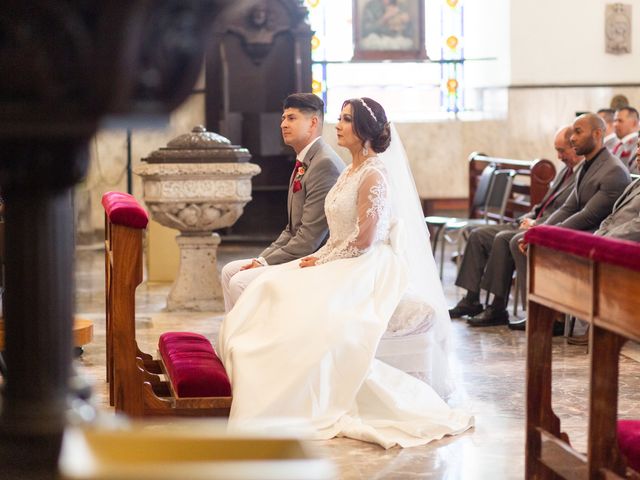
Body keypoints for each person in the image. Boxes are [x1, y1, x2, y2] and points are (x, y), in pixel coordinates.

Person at [218, 98, 473, 448]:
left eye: (347, 120)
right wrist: (320, 257)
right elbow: (336, 233)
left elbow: (365, 240)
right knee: (272, 286)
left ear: (365, 130)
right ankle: (250, 372)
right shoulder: (350, 170)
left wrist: (323, 261)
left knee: (284, 293)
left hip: (366, 266)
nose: (337, 124)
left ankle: (279, 385)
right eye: (339, 117)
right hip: (339, 256)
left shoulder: (374, 173)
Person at [221, 93, 344, 312]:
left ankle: (253, 342)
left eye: (291, 118)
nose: (283, 124)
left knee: (240, 281)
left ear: (313, 122)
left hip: (315, 259)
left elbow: (309, 239)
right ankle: (235, 341)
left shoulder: (324, 164)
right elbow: (290, 229)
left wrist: (265, 263)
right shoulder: (305, 160)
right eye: (283, 118)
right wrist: (262, 258)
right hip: (301, 251)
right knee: (230, 270)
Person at [449, 126, 582, 327]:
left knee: (503, 238)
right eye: (557, 150)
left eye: (562, 150)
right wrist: (527, 218)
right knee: (478, 235)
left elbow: (569, 211)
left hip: (547, 227)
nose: (559, 156)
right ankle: (471, 299)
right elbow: (542, 205)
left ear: (574, 146)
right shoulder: (565, 172)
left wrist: (537, 224)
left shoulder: (581, 175)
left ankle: (497, 306)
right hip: (530, 221)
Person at [612, 106, 639, 172]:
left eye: (620, 121)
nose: (615, 124)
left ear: (634, 123)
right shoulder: (618, 144)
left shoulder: (637, 144)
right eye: (615, 120)